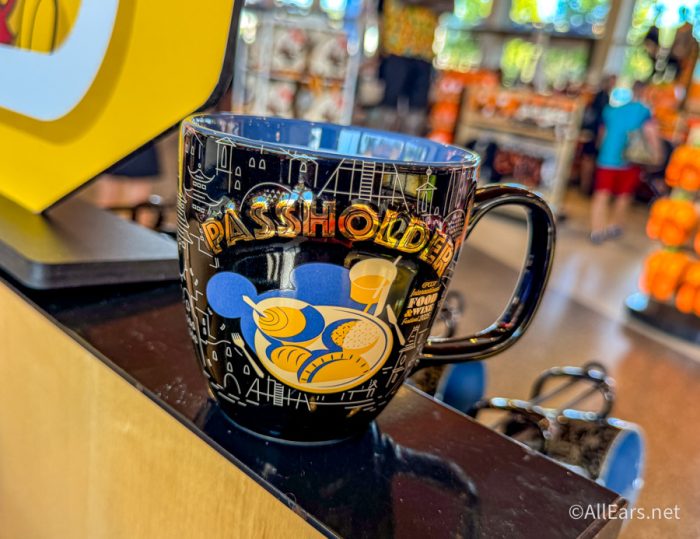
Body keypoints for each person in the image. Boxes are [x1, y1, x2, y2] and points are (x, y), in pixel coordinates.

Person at [590, 82, 661, 244]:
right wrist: (657, 155)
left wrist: (601, 149)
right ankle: (614, 225)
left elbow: (601, 135)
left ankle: (597, 230)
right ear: (645, 91)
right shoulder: (644, 111)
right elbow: (651, 133)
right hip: (630, 160)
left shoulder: (610, 110)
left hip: (607, 158)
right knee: (624, 195)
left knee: (601, 194)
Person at [369, 0, 451, 136]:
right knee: (388, 105)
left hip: (424, 54)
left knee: (417, 111)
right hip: (396, 50)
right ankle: (380, 144)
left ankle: (409, 147)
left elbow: (449, 5)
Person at [579, 75, 615, 195]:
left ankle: (585, 186)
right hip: (594, 135)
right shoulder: (603, 97)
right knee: (588, 160)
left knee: (588, 160)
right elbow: (601, 121)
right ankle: (585, 186)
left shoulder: (599, 96)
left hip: (592, 134)